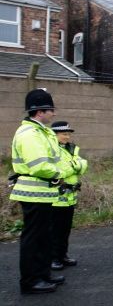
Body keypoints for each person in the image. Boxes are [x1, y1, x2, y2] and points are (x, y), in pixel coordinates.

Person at [10, 89, 70, 294]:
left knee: (44, 237)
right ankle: (30, 281)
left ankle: (43, 274)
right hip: (33, 192)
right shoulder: (30, 134)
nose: (53, 113)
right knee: (34, 238)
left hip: (42, 193)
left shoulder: (40, 132)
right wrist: (60, 173)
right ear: (39, 111)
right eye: (50, 109)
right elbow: (39, 165)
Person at [50, 121, 88, 271]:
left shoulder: (71, 148)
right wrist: (75, 166)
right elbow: (61, 169)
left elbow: (83, 165)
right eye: (64, 134)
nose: (67, 137)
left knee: (65, 229)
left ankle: (62, 255)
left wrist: (74, 166)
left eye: (68, 134)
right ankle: (53, 258)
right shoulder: (52, 149)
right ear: (55, 135)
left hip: (70, 196)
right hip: (56, 196)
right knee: (54, 230)